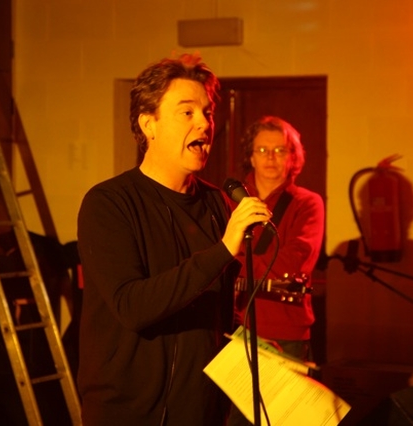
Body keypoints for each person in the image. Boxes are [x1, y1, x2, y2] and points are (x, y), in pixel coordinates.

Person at [76, 54, 272, 426]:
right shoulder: (109, 203)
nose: (204, 123)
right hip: (129, 413)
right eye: (187, 112)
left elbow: (217, 312)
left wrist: (252, 346)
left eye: (208, 113)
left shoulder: (216, 202)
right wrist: (223, 250)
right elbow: (132, 306)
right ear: (148, 123)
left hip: (200, 411)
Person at [227, 116, 325, 424]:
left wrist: (233, 261)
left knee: (283, 420)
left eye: (280, 150)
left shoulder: (307, 204)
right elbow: (209, 256)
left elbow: (293, 262)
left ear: (293, 157)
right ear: (251, 155)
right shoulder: (227, 202)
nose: (271, 158)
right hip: (235, 330)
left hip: (287, 334)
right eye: (263, 150)